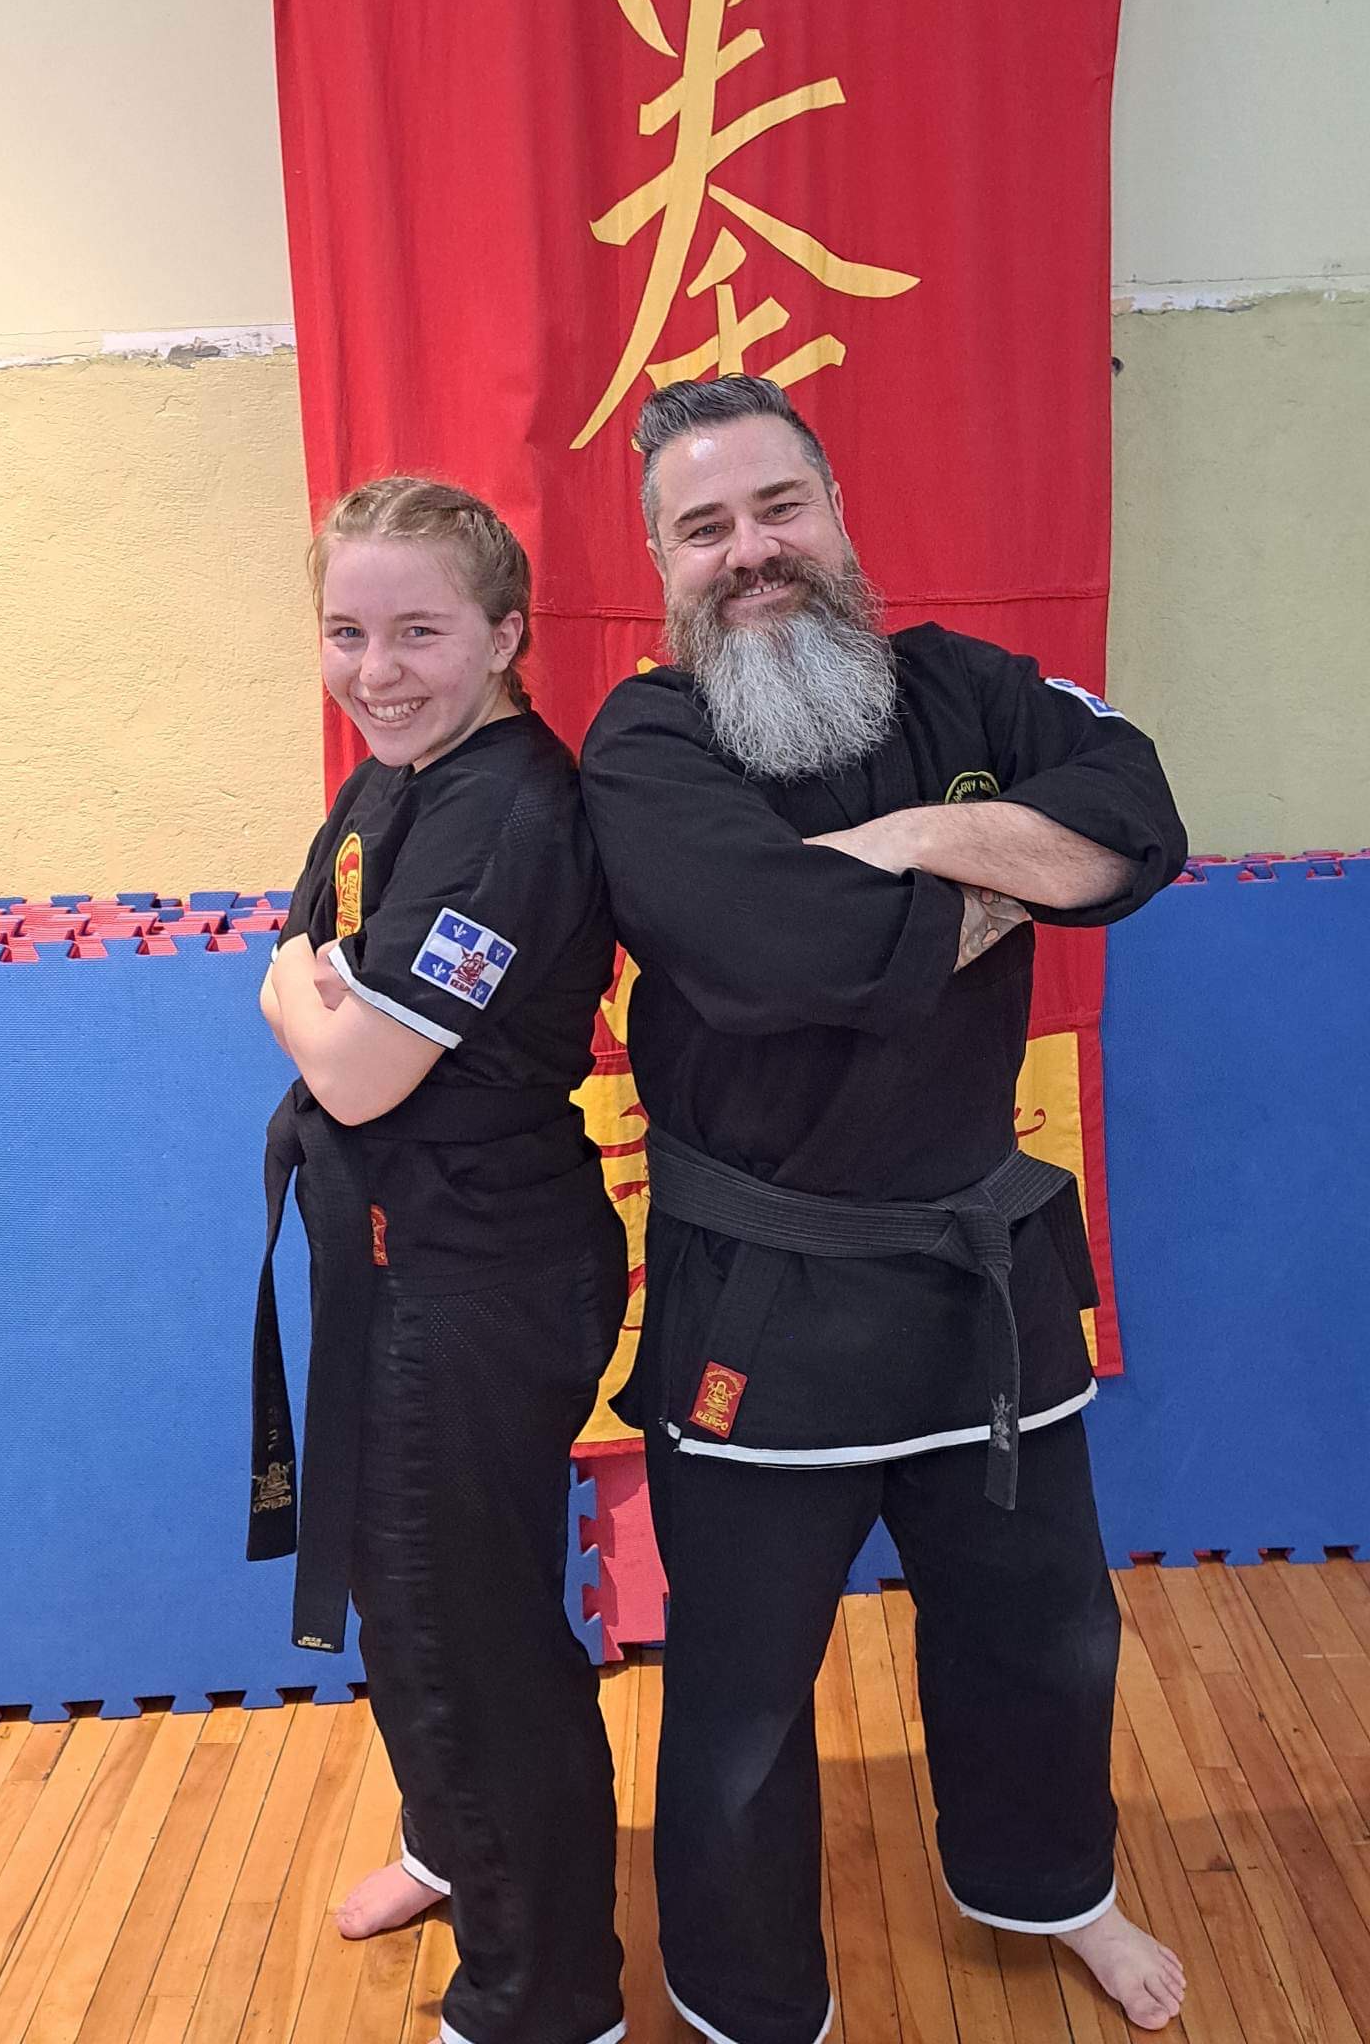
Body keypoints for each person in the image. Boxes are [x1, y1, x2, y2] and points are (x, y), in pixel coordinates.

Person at [578, 376, 1190, 2043]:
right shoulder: (647, 744)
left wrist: (921, 833)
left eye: (778, 507)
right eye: (704, 528)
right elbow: (783, 958)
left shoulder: (970, 687)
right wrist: (1016, 867)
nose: (749, 551)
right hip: (761, 1295)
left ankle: (1050, 1886)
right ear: (660, 564)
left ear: (836, 515)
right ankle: (750, 1996)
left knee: (1045, 1633)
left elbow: (1138, 819)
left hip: (982, 1276)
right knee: (743, 1699)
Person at [252, 477, 627, 2044]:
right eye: (348, 632)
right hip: (395, 1255)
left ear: (506, 634)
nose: (377, 670)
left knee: (467, 1633)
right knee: (402, 1594)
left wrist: (301, 990)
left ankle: (550, 2000)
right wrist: (311, 986)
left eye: (419, 632)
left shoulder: (505, 818)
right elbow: (305, 956)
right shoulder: (398, 777)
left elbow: (349, 1066)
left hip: (475, 1273)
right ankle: (452, 1845)